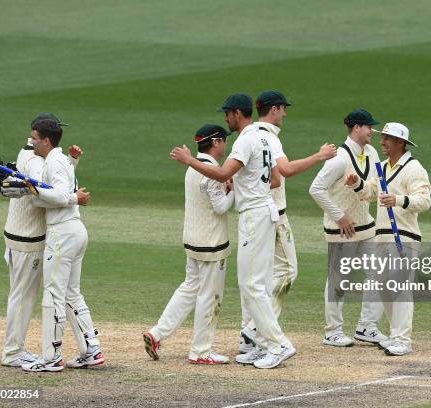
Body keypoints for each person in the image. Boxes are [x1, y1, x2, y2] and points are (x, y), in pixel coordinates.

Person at [171, 94, 295, 369]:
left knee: (250, 285)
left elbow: (220, 172)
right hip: (263, 211)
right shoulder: (264, 137)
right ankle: (264, 345)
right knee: (257, 285)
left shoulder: (246, 139)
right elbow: (275, 179)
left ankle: (278, 345)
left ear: (238, 113)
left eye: (227, 114)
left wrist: (189, 160)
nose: (226, 120)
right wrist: (243, 182)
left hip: (254, 216)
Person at [235, 90, 336, 354]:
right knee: (286, 272)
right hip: (273, 216)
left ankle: (250, 337)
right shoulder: (268, 136)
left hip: (263, 213)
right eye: (283, 109)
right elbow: (286, 171)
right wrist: (319, 156)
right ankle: (256, 330)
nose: (286, 114)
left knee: (259, 278)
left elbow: (276, 178)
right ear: (275, 109)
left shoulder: (254, 134)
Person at [143, 124, 234, 364]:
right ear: (215, 142)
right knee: (209, 296)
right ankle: (201, 351)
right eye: (224, 140)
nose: (226, 144)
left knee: (189, 289)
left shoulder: (193, 168)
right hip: (212, 244)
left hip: (193, 241)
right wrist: (234, 189)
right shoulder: (211, 170)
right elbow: (221, 207)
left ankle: (157, 333)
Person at [0, 113, 83, 367]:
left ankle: (13, 349)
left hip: (23, 235)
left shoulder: (33, 154)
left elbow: (51, 184)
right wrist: (74, 198)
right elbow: (46, 191)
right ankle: (13, 352)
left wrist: (71, 162)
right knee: (23, 296)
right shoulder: (34, 159)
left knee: (21, 294)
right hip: (28, 238)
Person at [21, 118, 102, 372]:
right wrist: (34, 192)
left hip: (62, 234)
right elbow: (52, 197)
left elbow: (60, 194)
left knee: (54, 294)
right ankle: (91, 349)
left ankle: (51, 357)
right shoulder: (63, 160)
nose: (31, 141)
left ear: (46, 140)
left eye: (34, 137)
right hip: (75, 231)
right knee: (71, 293)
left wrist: (67, 197)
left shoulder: (55, 161)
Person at [345, 122, 431, 355]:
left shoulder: (414, 168)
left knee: (400, 288)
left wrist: (399, 200)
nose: (382, 142)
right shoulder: (382, 167)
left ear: (400, 143)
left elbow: (424, 201)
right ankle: (396, 335)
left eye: (387, 139)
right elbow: (370, 192)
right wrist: (357, 184)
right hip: (381, 236)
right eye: (382, 138)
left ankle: (402, 340)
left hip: (404, 236)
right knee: (384, 288)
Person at [309, 108, 387, 347]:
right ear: (356, 128)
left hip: (366, 226)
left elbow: (375, 187)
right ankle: (332, 331)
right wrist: (339, 216)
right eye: (368, 127)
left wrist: (363, 187)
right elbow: (315, 189)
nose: (372, 131)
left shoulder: (372, 152)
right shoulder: (339, 158)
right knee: (338, 280)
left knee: (379, 274)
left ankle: (367, 326)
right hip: (340, 230)